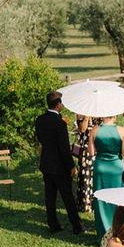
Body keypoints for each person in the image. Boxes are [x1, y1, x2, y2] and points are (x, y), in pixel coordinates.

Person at [35, 92, 85, 235]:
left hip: (46, 162)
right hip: (60, 166)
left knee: (49, 196)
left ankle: (53, 224)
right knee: (67, 197)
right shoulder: (60, 123)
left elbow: (41, 139)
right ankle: (76, 225)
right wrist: (71, 165)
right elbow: (64, 148)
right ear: (58, 104)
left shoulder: (40, 119)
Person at [90, 114, 124, 239]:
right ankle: (118, 232)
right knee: (118, 200)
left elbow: (91, 152)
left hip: (101, 168)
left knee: (101, 200)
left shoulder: (94, 130)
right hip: (117, 168)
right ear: (115, 115)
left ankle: (103, 234)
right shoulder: (122, 131)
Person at [73, 116, 95, 213]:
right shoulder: (81, 114)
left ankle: (95, 203)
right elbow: (82, 129)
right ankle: (85, 204)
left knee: (95, 177)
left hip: (96, 147)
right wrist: (87, 117)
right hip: (85, 149)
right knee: (85, 175)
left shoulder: (99, 112)